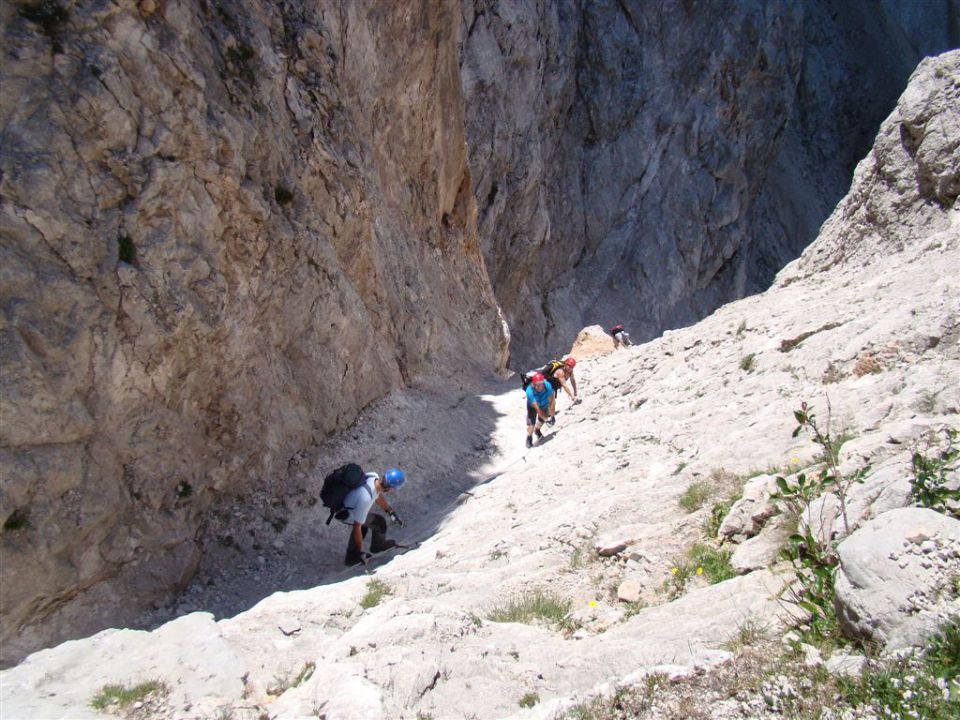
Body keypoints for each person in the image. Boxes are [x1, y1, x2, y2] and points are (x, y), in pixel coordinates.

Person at [341, 468, 406, 566]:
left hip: (347, 503)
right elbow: (356, 526)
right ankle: (353, 557)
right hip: (346, 512)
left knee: (367, 523)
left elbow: (378, 496)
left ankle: (374, 547)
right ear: (389, 489)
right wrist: (359, 553)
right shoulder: (366, 499)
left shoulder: (373, 476)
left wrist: (390, 511)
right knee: (377, 523)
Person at [525, 372, 555, 448]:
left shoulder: (547, 386)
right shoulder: (529, 391)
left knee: (541, 420)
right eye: (536, 385)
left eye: (540, 385)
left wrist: (552, 416)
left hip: (544, 403)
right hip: (532, 406)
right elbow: (537, 409)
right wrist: (546, 419)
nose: (538, 387)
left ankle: (537, 430)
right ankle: (529, 437)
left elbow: (552, 401)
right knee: (532, 424)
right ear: (533, 384)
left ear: (543, 383)